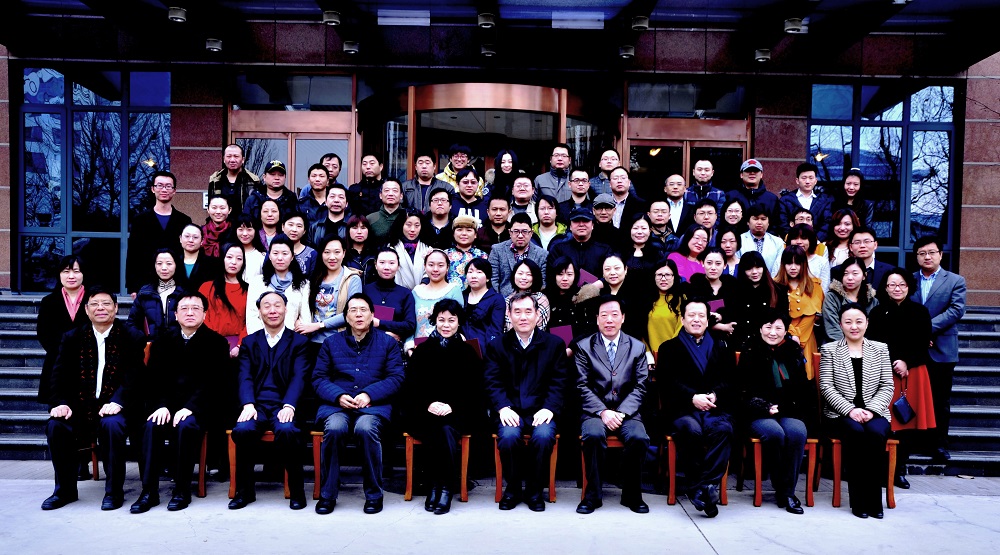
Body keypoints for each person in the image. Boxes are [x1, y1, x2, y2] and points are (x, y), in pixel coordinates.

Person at [42, 287, 146, 511]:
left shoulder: (132, 336)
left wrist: (117, 402)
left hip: (118, 406)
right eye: (95, 304)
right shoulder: (72, 337)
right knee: (56, 425)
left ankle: (114, 492)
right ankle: (65, 491)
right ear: (86, 310)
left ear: (116, 308)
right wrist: (59, 403)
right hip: (81, 407)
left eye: (106, 303)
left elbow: (134, 376)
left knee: (112, 425)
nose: (101, 308)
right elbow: (58, 375)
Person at [130, 292, 230, 513]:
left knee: (186, 426)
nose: (190, 313)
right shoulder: (163, 341)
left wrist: (190, 408)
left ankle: (182, 490)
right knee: (151, 426)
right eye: (184, 308)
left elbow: (214, 383)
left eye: (196, 308)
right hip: (167, 406)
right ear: (175, 314)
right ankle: (149, 492)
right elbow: (154, 379)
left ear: (205, 314)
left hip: (200, 408)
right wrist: (162, 405)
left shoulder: (217, 343)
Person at [312, 293, 405, 515]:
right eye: (353, 310)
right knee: (335, 428)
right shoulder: (331, 343)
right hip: (338, 405)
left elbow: (396, 377)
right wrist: (338, 396)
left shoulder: (388, 343)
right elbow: (319, 378)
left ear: (372, 315)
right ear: (346, 317)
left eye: (363, 310)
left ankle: (374, 495)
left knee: (365, 429)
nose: (358, 314)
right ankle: (327, 495)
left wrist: (369, 394)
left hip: (373, 406)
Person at [483, 292, 569, 511]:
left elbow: (559, 381)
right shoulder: (497, 346)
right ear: (509, 315)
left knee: (543, 436)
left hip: (541, 410)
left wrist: (549, 408)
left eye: (528, 311)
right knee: (509, 436)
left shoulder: (554, 344)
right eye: (517, 312)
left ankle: (534, 490)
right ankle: (512, 489)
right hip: (510, 410)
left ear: (538, 315)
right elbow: (492, 381)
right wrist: (502, 407)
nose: (523, 317)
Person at [229, 291, 310, 511]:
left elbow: (299, 377)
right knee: (243, 429)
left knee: (288, 429)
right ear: (259, 312)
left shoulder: (299, 342)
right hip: (257, 405)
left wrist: (289, 405)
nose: (272, 310)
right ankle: (245, 492)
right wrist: (248, 404)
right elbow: (244, 375)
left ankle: (297, 492)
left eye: (277, 305)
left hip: (284, 404)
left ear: (286, 309)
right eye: (267, 306)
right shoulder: (249, 342)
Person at [657, 298, 736, 518]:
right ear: (682, 319)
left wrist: (714, 394)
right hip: (682, 408)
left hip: (714, 407)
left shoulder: (722, 346)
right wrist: (692, 397)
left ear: (708, 320)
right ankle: (703, 488)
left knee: (724, 429)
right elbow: (667, 382)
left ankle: (703, 488)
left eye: (701, 315)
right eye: (691, 315)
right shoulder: (669, 348)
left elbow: (731, 380)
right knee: (691, 430)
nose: (696, 319)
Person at [403, 299, 483, 514]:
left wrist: (452, 406)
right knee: (435, 428)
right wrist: (429, 404)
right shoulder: (422, 350)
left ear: (459, 322)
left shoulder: (468, 352)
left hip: (458, 412)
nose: (446, 325)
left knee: (446, 429)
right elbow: (412, 386)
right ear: (434, 321)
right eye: (441, 320)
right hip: (426, 411)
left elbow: (475, 390)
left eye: (451, 320)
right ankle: (435, 486)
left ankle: (443, 487)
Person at [575, 295, 651, 514]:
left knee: (639, 437)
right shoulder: (584, 347)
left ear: (623, 318)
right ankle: (592, 496)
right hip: (594, 412)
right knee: (593, 435)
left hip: (628, 413)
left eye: (614, 314)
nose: (609, 320)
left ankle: (632, 495)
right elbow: (581, 385)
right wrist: (603, 411)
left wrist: (622, 412)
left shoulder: (637, 347)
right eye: (604, 315)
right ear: (597, 319)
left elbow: (641, 386)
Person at [738, 308, 816, 515]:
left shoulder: (793, 350)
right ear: (760, 329)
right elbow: (742, 389)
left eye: (778, 328)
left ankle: (788, 492)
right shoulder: (750, 349)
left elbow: (802, 387)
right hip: (758, 412)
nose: (773, 332)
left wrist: (785, 407)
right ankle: (782, 486)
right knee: (774, 433)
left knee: (797, 432)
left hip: (788, 410)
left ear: (785, 330)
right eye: (768, 327)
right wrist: (764, 406)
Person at [820, 303, 894, 519]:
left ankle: (874, 501)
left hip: (875, 411)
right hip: (841, 413)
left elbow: (887, 385)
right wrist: (850, 410)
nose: (854, 326)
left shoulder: (880, 349)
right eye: (848, 322)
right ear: (840, 324)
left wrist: (871, 410)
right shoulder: (830, 350)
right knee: (856, 432)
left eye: (859, 321)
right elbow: (826, 386)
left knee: (875, 433)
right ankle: (859, 501)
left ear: (867, 323)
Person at [868, 268, 936, 488]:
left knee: (907, 423)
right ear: (885, 288)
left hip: (913, 373)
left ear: (909, 286)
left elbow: (924, 343)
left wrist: (907, 361)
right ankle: (882, 470)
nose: (897, 289)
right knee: (885, 422)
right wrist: (891, 362)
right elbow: (872, 344)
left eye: (902, 285)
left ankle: (899, 470)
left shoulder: (920, 312)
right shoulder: (877, 313)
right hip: (883, 373)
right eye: (892, 285)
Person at [910, 236, 966, 462]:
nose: (927, 257)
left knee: (940, 399)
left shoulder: (955, 280)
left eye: (932, 252)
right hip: (913, 348)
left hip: (942, 348)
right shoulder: (908, 280)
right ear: (916, 257)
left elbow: (956, 310)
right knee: (914, 397)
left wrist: (926, 330)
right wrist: (919, 335)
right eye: (922, 253)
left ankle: (939, 444)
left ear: (941, 255)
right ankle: (915, 442)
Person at [126, 171, 193, 295]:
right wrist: (133, 287)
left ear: (174, 191)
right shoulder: (140, 220)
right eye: (160, 185)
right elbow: (133, 254)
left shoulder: (184, 220)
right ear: (153, 189)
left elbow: (187, 253)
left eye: (168, 186)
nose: (164, 189)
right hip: (145, 282)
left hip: (176, 283)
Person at [36, 255, 88, 403]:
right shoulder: (49, 301)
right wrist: (62, 351)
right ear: (59, 274)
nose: (71, 276)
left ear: (83, 273)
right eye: (66, 271)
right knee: (58, 408)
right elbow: (43, 333)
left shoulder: (93, 299)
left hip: (89, 361)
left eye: (76, 271)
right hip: (57, 361)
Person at [297, 236, 363, 351]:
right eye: (327, 252)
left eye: (337, 252)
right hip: (312, 341)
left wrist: (319, 325)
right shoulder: (314, 278)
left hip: (339, 342)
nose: (332, 257)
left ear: (344, 253)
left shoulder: (352, 279)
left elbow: (352, 312)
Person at [246, 235, 311, 335]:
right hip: (261, 340)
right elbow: (252, 317)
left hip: (292, 340)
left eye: (285, 253)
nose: (280, 258)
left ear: (292, 256)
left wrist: (291, 338)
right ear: (269, 256)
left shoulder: (303, 284)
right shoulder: (257, 282)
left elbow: (305, 319)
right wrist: (264, 339)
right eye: (275, 253)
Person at [725, 251, 789, 350]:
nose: (754, 272)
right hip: (741, 344)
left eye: (758, 267)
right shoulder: (734, 290)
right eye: (749, 268)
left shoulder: (778, 290)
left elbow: (784, 318)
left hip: (769, 345)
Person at [407, 249, 465, 352]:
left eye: (440, 265)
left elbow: (458, 321)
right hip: (418, 349)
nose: (435, 269)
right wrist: (409, 347)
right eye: (431, 265)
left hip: (446, 350)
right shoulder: (416, 291)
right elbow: (410, 323)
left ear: (447, 267)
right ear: (425, 266)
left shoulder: (454, 290)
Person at [198, 243, 249, 357]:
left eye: (239, 258)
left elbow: (251, 321)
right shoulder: (206, 287)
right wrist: (217, 342)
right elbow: (201, 317)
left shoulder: (249, 290)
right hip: (209, 344)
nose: (234, 262)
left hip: (239, 348)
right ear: (222, 259)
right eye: (229, 257)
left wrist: (240, 345)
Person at [775, 246, 825, 359]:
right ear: (783, 265)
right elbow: (774, 313)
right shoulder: (774, 285)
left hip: (805, 337)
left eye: (797, 263)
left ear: (804, 264)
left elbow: (811, 315)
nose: (793, 267)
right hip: (780, 336)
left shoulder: (814, 285)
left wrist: (797, 339)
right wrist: (790, 335)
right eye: (789, 263)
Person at [127, 249, 187, 339]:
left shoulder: (185, 292)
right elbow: (131, 323)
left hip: (180, 344)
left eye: (169, 263)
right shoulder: (145, 293)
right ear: (154, 266)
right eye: (159, 263)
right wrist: (143, 340)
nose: (164, 268)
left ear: (176, 265)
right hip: (150, 344)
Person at [363, 247, 418, 343]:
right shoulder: (365, 290)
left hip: (394, 346)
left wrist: (379, 323)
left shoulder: (405, 293)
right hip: (366, 344)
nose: (387, 267)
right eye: (382, 262)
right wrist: (384, 334)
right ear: (375, 265)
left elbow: (410, 325)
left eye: (392, 263)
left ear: (398, 266)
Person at [489, 212, 548, 298]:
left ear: (531, 233)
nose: (520, 236)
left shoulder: (542, 254)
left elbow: (543, 283)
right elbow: (493, 279)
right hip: (503, 299)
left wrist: (528, 299)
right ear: (510, 232)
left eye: (524, 231)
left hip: (532, 300)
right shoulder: (497, 250)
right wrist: (500, 301)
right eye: (516, 231)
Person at [548, 207, 614, 281]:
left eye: (586, 220)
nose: (581, 224)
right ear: (570, 226)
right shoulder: (558, 250)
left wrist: (599, 284)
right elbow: (551, 275)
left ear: (592, 225)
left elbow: (610, 274)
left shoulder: (604, 250)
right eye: (576, 221)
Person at [823, 257, 878, 344]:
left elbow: (874, 330)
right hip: (837, 346)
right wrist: (849, 348)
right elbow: (832, 328)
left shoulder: (873, 301)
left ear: (864, 276)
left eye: (855, 273)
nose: (850, 278)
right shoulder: (833, 297)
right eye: (845, 274)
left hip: (866, 348)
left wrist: (863, 347)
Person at [689, 248, 737, 336]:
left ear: (725, 265)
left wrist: (721, 316)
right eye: (709, 263)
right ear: (702, 263)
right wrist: (722, 327)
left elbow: (735, 311)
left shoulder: (732, 286)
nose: (713, 268)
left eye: (718, 263)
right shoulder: (695, 286)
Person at [644, 258, 686, 357]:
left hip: (674, 353)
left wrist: (668, 351)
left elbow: (681, 329)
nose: (663, 279)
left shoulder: (681, 299)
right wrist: (647, 353)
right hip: (650, 356)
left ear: (674, 276)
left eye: (667, 275)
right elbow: (640, 330)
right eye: (659, 275)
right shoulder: (646, 300)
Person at [778, 162, 832, 239]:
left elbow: (827, 223)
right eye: (804, 178)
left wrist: (815, 240)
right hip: (793, 242)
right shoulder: (785, 200)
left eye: (811, 178)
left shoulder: (825, 200)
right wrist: (793, 239)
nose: (807, 181)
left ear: (816, 180)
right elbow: (782, 224)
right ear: (797, 180)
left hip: (817, 242)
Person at [463, 258, 505, 350]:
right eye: (470, 272)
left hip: (485, 349)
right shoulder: (462, 296)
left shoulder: (496, 299)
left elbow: (496, 330)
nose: (473, 276)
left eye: (479, 272)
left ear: (488, 278)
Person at [208, 144, 262, 214]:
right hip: (221, 220)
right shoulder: (215, 179)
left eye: (236, 156)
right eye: (229, 156)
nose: (232, 160)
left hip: (245, 220)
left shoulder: (253, 180)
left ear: (243, 160)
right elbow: (211, 205)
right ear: (224, 159)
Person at [726, 158, 779, 225]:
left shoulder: (772, 199)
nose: (752, 173)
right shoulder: (730, 196)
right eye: (748, 170)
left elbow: (776, 224)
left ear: (761, 175)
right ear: (741, 175)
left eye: (756, 171)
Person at [389, 209, 433, 289]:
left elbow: (431, 270)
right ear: (401, 225)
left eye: (417, 225)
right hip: (398, 292)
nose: (412, 230)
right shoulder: (391, 248)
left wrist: (423, 285)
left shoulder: (427, 248)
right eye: (408, 225)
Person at [503, 259, 550, 331]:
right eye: (520, 273)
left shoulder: (541, 299)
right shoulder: (508, 300)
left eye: (529, 274)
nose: (524, 278)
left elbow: (539, 329)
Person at [738, 205, 785, 277]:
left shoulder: (778, 242)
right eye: (755, 219)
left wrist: (771, 281)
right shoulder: (739, 240)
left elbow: (778, 266)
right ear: (748, 222)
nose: (759, 222)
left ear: (768, 222)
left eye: (763, 219)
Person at [445, 215, 488, 287]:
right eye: (459, 230)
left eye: (469, 230)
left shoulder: (483, 256)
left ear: (475, 235)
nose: (464, 233)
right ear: (453, 234)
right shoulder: (445, 255)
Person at [786, 224, 831, 292]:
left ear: (811, 240)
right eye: (795, 238)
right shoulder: (782, 259)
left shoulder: (822, 262)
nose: (799, 242)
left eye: (803, 238)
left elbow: (824, 290)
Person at [178, 223, 221, 291]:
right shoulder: (173, 261)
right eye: (187, 236)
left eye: (195, 237)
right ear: (180, 239)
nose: (191, 240)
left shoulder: (213, 264)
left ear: (202, 241)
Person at [307, 183, 351, 248]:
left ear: (347, 203)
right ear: (326, 202)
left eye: (341, 197)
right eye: (332, 196)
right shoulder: (315, 227)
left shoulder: (351, 227)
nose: (336, 200)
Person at [366, 180, 404, 245]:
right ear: (380, 195)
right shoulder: (370, 219)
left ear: (401, 196)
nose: (390, 194)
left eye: (395, 190)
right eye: (386, 190)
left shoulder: (407, 217)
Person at [344, 214, 378, 284]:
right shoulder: (343, 254)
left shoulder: (376, 253)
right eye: (354, 228)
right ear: (348, 231)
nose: (359, 232)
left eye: (363, 228)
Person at [280, 211, 317, 276]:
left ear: (304, 231)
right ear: (283, 227)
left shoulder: (312, 254)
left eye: (299, 226)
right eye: (290, 225)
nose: (294, 229)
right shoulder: (273, 251)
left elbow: (314, 279)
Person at [233, 213, 266, 284]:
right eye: (240, 229)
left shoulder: (262, 256)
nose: (245, 234)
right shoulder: (229, 253)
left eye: (249, 229)